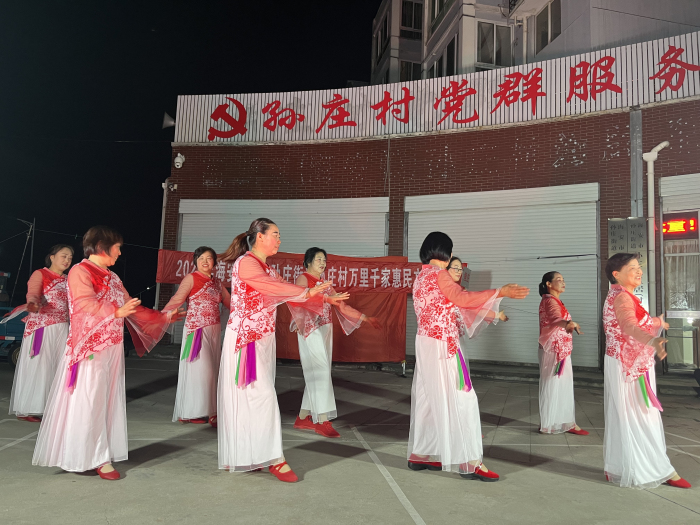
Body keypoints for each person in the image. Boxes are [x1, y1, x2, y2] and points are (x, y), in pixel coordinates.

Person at [32, 226, 183, 481]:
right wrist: (115, 312)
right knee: (90, 400)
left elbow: (131, 308)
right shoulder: (80, 271)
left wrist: (164, 317)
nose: (120, 253)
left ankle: (96, 453)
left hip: (111, 347)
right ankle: (94, 457)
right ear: (102, 247)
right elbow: (84, 304)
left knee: (106, 400)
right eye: (117, 248)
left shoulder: (112, 277)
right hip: (89, 347)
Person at [408, 232, 529, 482]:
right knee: (463, 397)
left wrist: (493, 309)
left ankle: (421, 453)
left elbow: (454, 306)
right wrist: (499, 291)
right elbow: (461, 299)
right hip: (444, 344)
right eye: (451, 251)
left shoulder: (421, 277)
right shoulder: (440, 275)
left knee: (428, 397)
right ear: (444, 251)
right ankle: (470, 461)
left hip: (425, 342)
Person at [218, 218, 331, 483]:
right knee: (263, 396)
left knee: (253, 399)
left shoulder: (267, 268)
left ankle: (251, 455)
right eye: (275, 234)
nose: (279, 240)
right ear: (260, 237)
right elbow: (276, 289)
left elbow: (287, 293)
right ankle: (274, 459)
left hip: (263, 339)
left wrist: (321, 297)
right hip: (247, 340)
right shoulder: (246, 263)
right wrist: (308, 292)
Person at [602, 253, 690, 489]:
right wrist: (652, 340)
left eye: (638, 267)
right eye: (632, 267)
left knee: (629, 415)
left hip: (627, 361)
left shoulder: (621, 295)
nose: (639, 271)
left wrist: (657, 323)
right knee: (641, 415)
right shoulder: (622, 297)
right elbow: (628, 326)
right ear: (616, 274)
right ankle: (657, 470)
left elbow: (637, 322)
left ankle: (621, 466)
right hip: (628, 364)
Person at [292, 247, 381, 438]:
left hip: (324, 329)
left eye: (324, 260)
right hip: (310, 329)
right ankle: (322, 421)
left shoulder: (325, 284)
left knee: (318, 372)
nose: (322, 263)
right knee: (321, 371)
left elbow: (341, 305)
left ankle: (302, 417)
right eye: (318, 259)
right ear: (308, 262)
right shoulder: (303, 279)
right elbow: (299, 300)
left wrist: (364, 318)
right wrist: (325, 299)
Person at [162, 246, 231, 427]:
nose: (205, 261)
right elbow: (177, 299)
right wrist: (162, 317)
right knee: (200, 370)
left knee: (212, 371)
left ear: (214, 262)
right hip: (196, 332)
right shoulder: (191, 278)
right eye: (201, 258)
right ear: (195, 262)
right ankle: (193, 411)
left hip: (213, 331)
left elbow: (230, 303)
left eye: (208, 258)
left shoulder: (217, 283)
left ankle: (208, 411)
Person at [5, 245, 74, 421]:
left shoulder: (69, 280)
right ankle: (28, 408)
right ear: (52, 257)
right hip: (42, 327)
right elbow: (33, 293)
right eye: (63, 256)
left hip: (62, 327)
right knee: (39, 366)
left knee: (58, 367)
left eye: (70, 258)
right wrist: (33, 303)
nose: (67, 260)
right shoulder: (41, 274)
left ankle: (52, 407)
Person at [537, 271, 588, 436]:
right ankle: (551, 423)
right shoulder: (550, 301)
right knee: (554, 385)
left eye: (563, 279)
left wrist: (569, 324)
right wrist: (568, 323)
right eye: (558, 279)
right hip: (554, 351)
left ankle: (564, 422)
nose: (563, 282)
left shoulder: (555, 300)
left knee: (562, 386)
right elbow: (555, 318)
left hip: (561, 350)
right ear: (548, 284)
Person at [447, 256, 507, 377]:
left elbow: (476, 309)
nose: (459, 271)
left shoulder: (460, 292)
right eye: (455, 268)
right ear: (446, 269)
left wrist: (496, 314)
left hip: (456, 338)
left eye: (460, 269)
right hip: (443, 339)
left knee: (457, 373)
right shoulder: (442, 290)